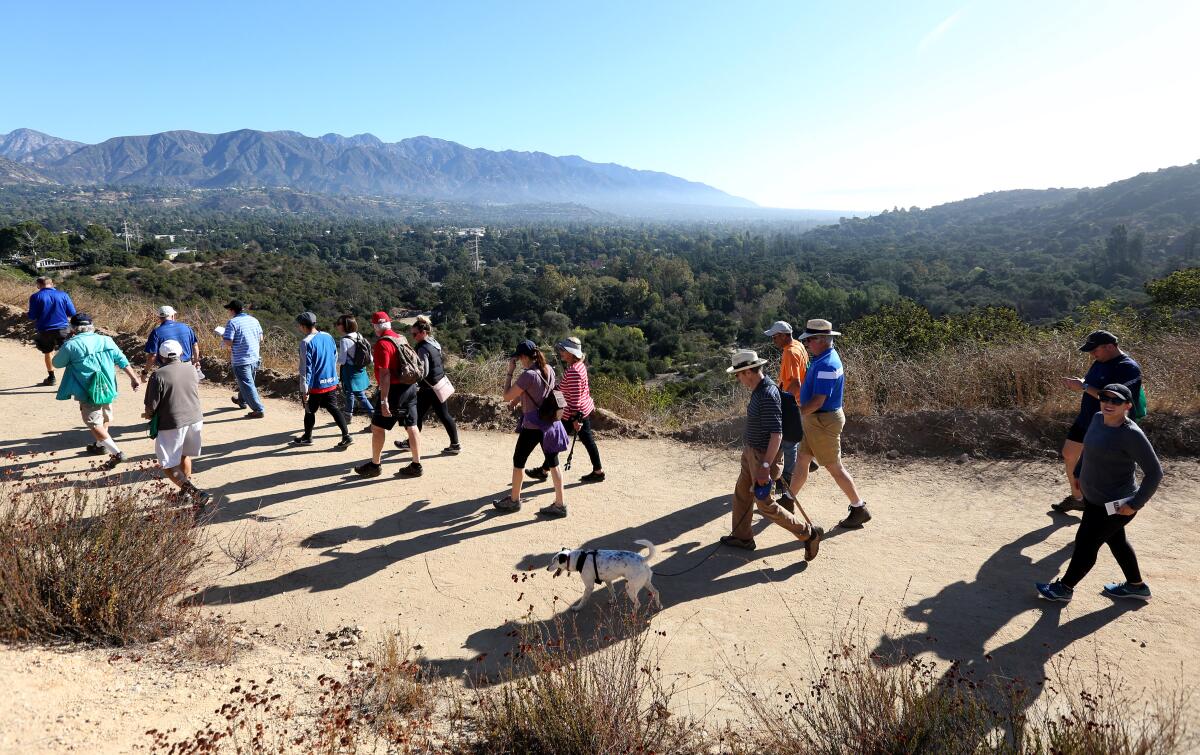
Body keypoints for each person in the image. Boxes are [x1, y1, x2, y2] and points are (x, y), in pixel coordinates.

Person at [1036, 383, 1162, 602]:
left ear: (1128, 406)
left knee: (1086, 543)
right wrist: (1077, 472)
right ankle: (1136, 586)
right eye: (1105, 398)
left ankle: (1064, 588)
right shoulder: (1096, 419)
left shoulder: (1131, 435)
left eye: (1116, 400)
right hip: (1094, 499)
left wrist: (1135, 503)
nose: (1108, 404)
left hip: (1116, 504)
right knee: (1117, 541)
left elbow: (1155, 473)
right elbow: (1088, 448)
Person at [719, 349, 823, 560]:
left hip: (762, 457)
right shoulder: (760, 390)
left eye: (738, 375)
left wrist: (765, 467)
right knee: (741, 493)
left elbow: (777, 434)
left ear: (748, 372)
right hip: (752, 453)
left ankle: (808, 534)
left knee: (765, 504)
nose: (738, 380)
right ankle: (742, 537)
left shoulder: (766, 394)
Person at [788, 319, 872, 530]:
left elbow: (818, 401)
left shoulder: (826, 363)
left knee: (834, 467)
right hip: (816, 419)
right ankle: (788, 499)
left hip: (821, 420)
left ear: (822, 340)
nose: (807, 344)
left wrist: (796, 413)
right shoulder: (823, 357)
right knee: (803, 460)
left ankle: (859, 508)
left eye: (810, 340)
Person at [1052, 330, 1142, 514]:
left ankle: (1109, 508)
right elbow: (1095, 383)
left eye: (1095, 350)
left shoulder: (1128, 367)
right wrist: (1081, 382)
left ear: (1110, 346)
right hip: (1087, 418)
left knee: (1101, 468)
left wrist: (1084, 387)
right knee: (1069, 454)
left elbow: (1117, 398)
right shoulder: (1100, 362)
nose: (1092, 354)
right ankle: (1078, 499)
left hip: (1110, 424)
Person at [52, 313, 141, 467]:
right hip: (107, 387)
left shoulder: (71, 345)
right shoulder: (106, 340)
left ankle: (117, 453)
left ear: (73, 328)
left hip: (88, 391)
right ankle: (100, 446)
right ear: (91, 326)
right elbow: (122, 360)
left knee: (94, 423)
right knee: (105, 417)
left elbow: (57, 363)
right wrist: (134, 378)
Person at [494, 339, 566, 517]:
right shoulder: (548, 369)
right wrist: (517, 401)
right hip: (549, 424)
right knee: (554, 463)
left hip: (532, 425)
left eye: (518, 358)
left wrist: (509, 373)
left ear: (524, 356)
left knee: (518, 462)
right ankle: (560, 504)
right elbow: (539, 392)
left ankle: (514, 500)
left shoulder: (528, 375)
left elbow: (505, 396)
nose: (518, 361)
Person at [354, 312, 423, 478]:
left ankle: (375, 465)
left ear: (376, 326)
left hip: (393, 392)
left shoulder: (382, 344)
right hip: (410, 388)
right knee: (411, 426)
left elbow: (385, 374)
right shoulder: (401, 338)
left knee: (377, 427)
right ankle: (416, 464)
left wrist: (384, 400)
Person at [526, 336, 603, 483]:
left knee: (555, 441)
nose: (560, 352)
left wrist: (576, 419)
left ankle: (544, 471)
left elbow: (574, 398)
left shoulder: (574, 371)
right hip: (581, 410)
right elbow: (578, 391)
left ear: (570, 352)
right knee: (585, 441)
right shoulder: (580, 365)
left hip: (572, 414)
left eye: (563, 350)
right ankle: (598, 471)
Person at [142, 339, 209, 505]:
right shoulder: (192, 369)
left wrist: (148, 415)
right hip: (194, 418)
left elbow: (151, 405)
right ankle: (185, 492)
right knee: (184, 455)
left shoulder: (158, 375)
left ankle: (195, 493)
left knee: (167, 464)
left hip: (172, 422)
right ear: (180, 353)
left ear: (161, 357)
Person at [764, 320, 814, 505]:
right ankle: (803, 465)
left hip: (793, 401)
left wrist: (783, 403)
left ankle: (787, 478)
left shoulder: (790, 352)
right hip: (799, 400)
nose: (774, 340)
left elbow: (795, 383)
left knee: (788, 442)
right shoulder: (799, 346)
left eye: (776, 337)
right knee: (791, 439)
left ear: (785, 335)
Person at [402, 315, 461, 455]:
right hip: (438, 384)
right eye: (412, 334)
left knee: (417, 416)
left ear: (423, 333)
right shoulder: (434, 343)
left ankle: (411, 443)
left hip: (428, 388)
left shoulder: (422, 348)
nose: (413, 336)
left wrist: (414, 381)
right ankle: (455, 444)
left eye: (415, 334)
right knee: (443, 415)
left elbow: (424, 371)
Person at [293, 312, 352, 449]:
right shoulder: (328, 336)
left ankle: (307, 437)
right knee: (333, 408)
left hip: (315, 385)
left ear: (302, 326)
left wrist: (304, 389)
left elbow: (305, 368)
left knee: (309, 411)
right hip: (331, 381)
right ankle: (346, 435)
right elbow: (334, 356)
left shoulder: (305, 342)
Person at [27, 276, 77, 386]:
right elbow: (72, 312)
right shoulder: (63, 295)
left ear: (38, 285)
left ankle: (52, 377)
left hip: (44, 330)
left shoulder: (35, 297)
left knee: (48, 352)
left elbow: (32, 316)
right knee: (69, 353)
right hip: (63, 329)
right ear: (52, 284)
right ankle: (72, 379)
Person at [222, 300, 265, 419]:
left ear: (232, 310)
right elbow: (261, 338)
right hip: (254, 358)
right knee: (247, 382)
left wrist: (223, 336)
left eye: (228, 310)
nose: (228, 312)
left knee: (247, 384)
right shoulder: (254, 320)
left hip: (241, 360)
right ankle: (242, 400)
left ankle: (258, 409)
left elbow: (228, 342)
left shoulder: (232, 322)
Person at [334, 314, 375, 423]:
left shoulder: (344, 340)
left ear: (345, 326)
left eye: (339, 323)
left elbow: (342, 360)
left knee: (359, 395)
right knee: (350, 393)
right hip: (360, 369)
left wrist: (333, 359)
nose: (337, 326)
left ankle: (374, 417)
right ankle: (347, 416)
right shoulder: (358, 335)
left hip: (350, 371)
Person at [143, 305, 201, 375]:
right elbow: (195, 345)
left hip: (167, 369)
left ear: (159, 318)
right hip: (187, 367)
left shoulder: (156, 332)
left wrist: (145, 372)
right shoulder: (186, 327)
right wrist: (196, 361)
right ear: (173, 316)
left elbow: (153, 355)